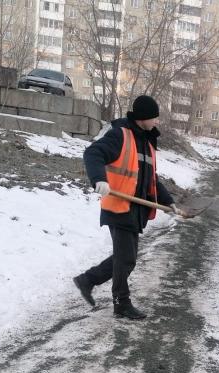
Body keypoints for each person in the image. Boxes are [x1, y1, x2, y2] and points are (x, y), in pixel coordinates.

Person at [72, 95, 185, 320]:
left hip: (135, 210)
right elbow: (93, 153)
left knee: (126, 257)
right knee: (126, 258)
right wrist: (99, 179)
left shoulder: (147, 141)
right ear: (143, 117)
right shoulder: (121, 135)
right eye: (154, 117)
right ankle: (121, 303)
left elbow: (152, 179)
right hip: (118, 206)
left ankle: (87, 280)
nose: (156, 122)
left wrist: (168, 201)